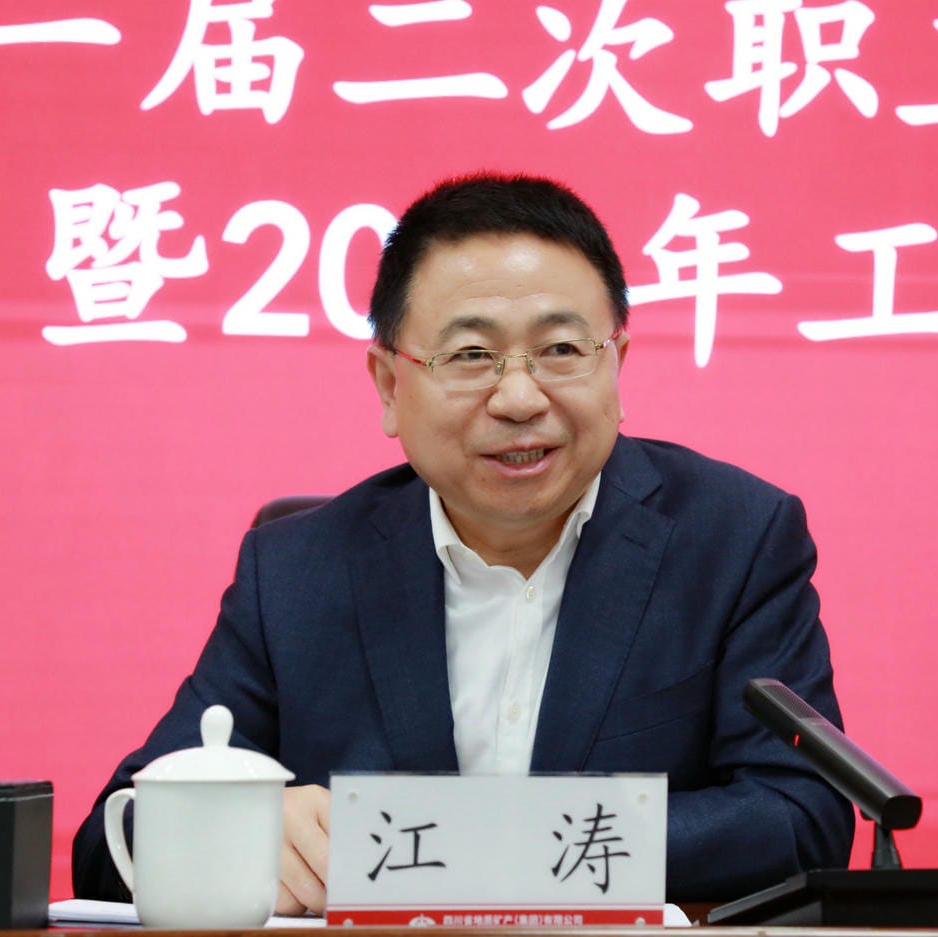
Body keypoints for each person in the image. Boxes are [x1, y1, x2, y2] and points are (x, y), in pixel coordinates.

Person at [73, 172, 854, 911]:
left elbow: (799, 814)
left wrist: (481, 847)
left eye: (560, 350)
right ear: (389, 384)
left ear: (615, 365)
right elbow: (111, 841)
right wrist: (243, 833)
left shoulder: (733, 539)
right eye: (472, 355)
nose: (518, 397)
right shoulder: (295, 574)